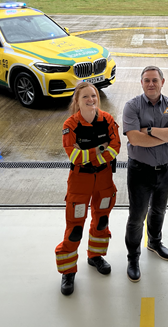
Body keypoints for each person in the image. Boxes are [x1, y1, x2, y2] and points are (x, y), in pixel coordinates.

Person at [55, 82, 121, 296]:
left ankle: (95, 256)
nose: (91, 99)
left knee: (102, 220)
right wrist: (101, 148)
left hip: (104, 179)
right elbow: (75, 157)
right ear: (77, 101)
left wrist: (89, 153)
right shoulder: (70, 125)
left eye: (93, 95)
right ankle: (68, 271)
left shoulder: (108, 120)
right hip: (80, 182)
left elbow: (116, 148)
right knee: (74, 229)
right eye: (85, 97)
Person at [122, 66, 168, 282]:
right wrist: (167, 134)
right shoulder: (132, 106)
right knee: (137, 216)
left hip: (166, 170)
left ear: (163, 82)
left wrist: (148, 130)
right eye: (147, 80)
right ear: (141, 83)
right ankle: (133, 257)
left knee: (159, 210)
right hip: (139, 171)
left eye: (155, 80)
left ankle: (155, 242)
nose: (151, 84)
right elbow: (134, 139)